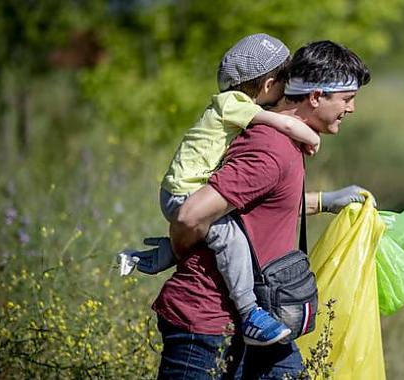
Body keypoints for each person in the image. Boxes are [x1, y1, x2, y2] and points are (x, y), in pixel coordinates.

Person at [153, 40, 371, 379]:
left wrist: (326, 201)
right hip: (209, 321)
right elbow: (189, 215)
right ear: (315, 97)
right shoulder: (270, 148)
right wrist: (178, 252)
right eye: (347, 98)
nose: (352, 108)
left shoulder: (284, 142)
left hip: (256, 320)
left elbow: (261, 207)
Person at [118, 33, 323, 346]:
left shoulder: (230, 103)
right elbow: (284, 125)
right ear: (269, 85)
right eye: (285, 82)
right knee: (230, 238)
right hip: (184, 192)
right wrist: (311, 138)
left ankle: (150, 257)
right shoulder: (234, 104)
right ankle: (250, 311)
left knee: (219, 232)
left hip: (183, 189)